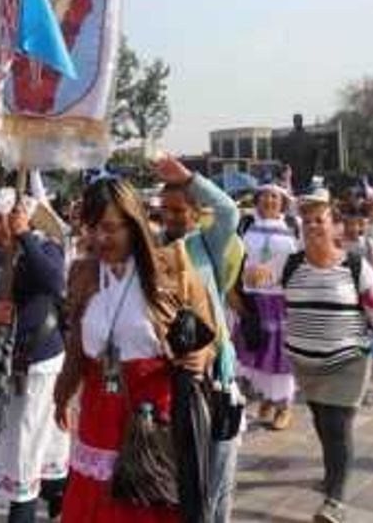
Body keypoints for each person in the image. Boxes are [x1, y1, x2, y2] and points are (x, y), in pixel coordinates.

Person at [54, 175, 217, 523]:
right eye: (93, 227)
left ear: (134, 224)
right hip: (98, 411)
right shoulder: (83, 274)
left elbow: (209, 335)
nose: (100, 238)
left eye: (111, 228)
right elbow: (76, 347)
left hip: (151, 416)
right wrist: (62, 394)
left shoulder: (169, 270)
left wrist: (200, 356)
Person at [281, 194, 373, 523]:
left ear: (335, 226)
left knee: (337, 426)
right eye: (306, 221)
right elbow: (274, 299)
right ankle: (331, 474)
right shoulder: (291, 265)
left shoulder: (355, 266)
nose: (312, 226)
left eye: (319, 220)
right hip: (306, 363)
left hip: (348, 360)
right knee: (323, 422)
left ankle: (334, 501)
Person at [0, 189, 69, 523]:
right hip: (3, 365)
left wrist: (24, 237)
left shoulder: (44, 247)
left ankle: (43, 501)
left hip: (38, 365)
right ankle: (56, 492)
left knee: (27, 449)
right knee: (28, 445)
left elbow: (54, 282)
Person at [159, 155, 244, 523]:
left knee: (219, 474)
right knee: (185, 476)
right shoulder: (154, 251)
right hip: (172, 376)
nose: (172, 218)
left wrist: (190, 178)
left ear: (195, 213)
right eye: (166, 211)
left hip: (216, 372)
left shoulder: (207, 243)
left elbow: (228, 212)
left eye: (180, 210)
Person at [235, 183, 299, 430]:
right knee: (255, 350)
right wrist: (244, 275)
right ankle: (266, 399)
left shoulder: (292, 226)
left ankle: (284, 405)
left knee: (279, 354)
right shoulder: (246, 225)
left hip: (281, 299)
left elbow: (298, 261)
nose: (270, 201)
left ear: (282, 201)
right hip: (252, 298)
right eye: (265, 196)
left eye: (275, 196)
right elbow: (236, 258)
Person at [340, 205, 373, 271]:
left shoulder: (367, 242)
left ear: (359, 225)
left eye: (354, 224)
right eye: (348, 224)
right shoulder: (340, 245)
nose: (352, 228)